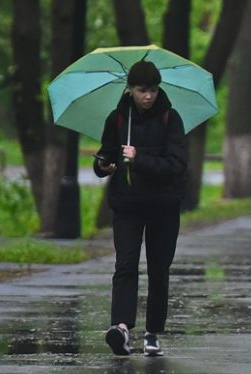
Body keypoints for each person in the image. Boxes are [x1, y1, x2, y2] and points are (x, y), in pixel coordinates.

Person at [93, 60, 187, 357]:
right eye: (142, 90)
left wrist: (139, 159)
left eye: (153, 90)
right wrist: (102, 165)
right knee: (125, 265)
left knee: (159, 269)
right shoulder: (118, 118)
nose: (148, 96)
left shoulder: (171, 118)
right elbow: (107, 154)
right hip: (127, 204)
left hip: (163, 206)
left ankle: (152, 333)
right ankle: (121, 328)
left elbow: (176, 164)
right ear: (130, 89)